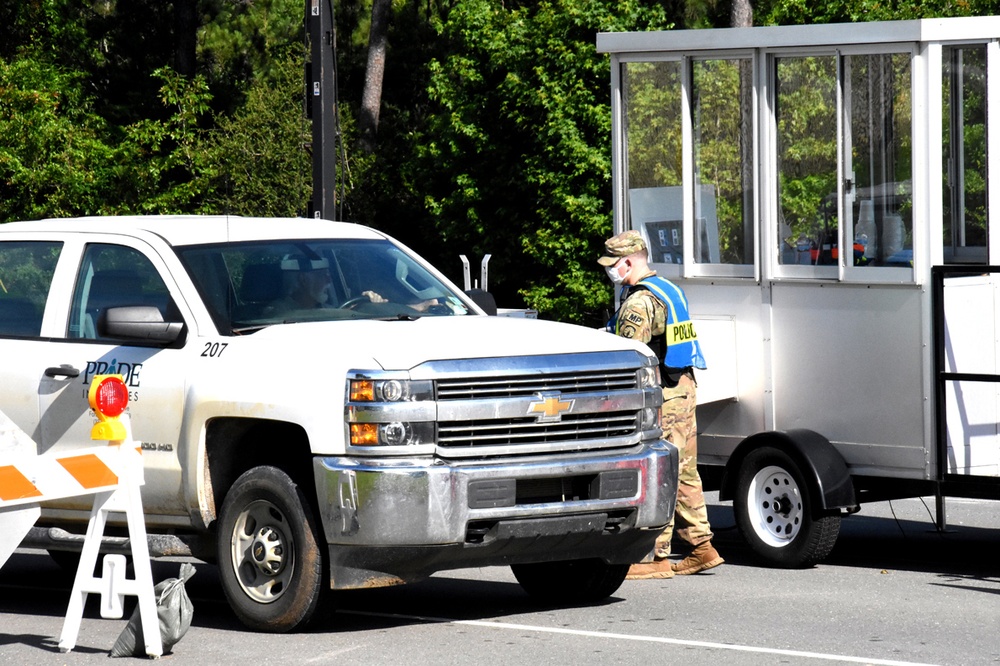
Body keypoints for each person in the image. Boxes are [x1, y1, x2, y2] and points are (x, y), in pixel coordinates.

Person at [598, 229, 724, 580]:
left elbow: (627, 356)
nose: (609, 271)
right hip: (683, 388)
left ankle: (656, 556)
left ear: (627, 261)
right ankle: (702, 547)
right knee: (684, 470)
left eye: (612, 264)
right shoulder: (670, 290)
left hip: (662, 397)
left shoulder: (639, 302)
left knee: (661, 472)